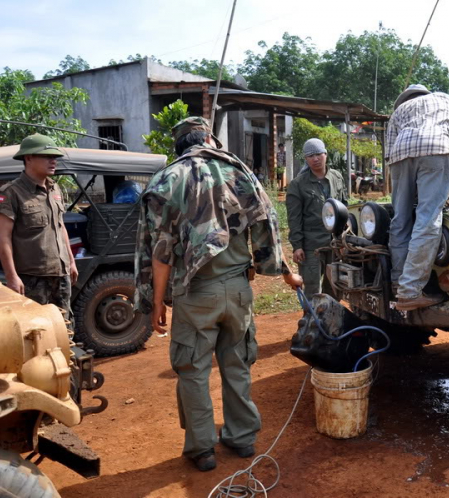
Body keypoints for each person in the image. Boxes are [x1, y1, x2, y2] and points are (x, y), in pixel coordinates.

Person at [135, 117, 302, 472]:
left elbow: (161, 252)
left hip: (196, 296)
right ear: (209, 138)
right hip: (239, 291)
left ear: (179, 145)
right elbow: (266, 227)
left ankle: (202, 449)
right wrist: (287, 274)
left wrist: (156, 303)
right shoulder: (239, 172)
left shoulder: (166, 180)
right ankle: (242, 439)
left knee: (193, 371)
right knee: (237, 365)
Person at [385, 84, 449, 311]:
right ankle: (410, 291)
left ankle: (397, 283)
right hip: (435, 148)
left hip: (400, 154)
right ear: (426, 93)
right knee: (428, 218)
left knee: (400, 218)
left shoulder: (398, 112)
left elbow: (388, 154)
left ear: (405, 98)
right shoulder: (447, 100)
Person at [0, 133, 78, 317]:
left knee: (64, 329)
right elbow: (3, 238)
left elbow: (60, 226)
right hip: (32, 279)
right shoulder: (11, 193)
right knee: (36, 332)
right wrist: (11, 277)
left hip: (60, 275)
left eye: (55, 157)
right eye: (47, 156)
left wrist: (71, 261)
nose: (53, 161)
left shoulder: (54, 188)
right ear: (29, 158)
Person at [286, 138, 347, 301]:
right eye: (310, 155)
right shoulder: (298, 184)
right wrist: (297, 246)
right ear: (306, 159)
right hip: (311, 246)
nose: (315, 159)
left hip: (335, 243)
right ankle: (312, 323)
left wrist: (346, 238)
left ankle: (332, 323)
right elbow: (294, 217)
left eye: (318, 154)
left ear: (325, 154)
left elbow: (344, 207)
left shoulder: (337, 177)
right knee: (312, 289)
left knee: (335, 286)